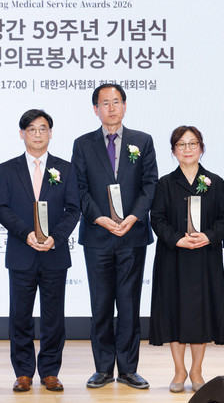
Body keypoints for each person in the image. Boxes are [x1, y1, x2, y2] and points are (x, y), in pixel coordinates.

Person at [71, 83, 158, 389]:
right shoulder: (83, 144)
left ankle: (129, 368)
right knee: (101, 305)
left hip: (133, 236)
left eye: (116, 101)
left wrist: (133, 217)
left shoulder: (142, 141)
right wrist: (101, 219)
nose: (111, 108)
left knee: (130, 305)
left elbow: (150, 184)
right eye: (105, 103)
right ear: (96, 109)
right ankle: (103, 368)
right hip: (98, 236)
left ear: (125, 106)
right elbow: (79, 188)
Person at [0, 109, 80, 392]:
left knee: (54, 317)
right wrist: (25, 233)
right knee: (20, 316)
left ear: (51, 133)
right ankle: (23, 372)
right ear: (22, 134)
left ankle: (51, 371)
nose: (38, 134)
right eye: (31, 129)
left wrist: (56, 237)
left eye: (43, 129)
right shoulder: (8, 168)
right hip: (22, 252)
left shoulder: (65, 168)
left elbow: (73, 209)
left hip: (55, 253)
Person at [149, 126, 224, 393]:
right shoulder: (164, 183)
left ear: (201, 147)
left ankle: (197, 370)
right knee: (174, 311)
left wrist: (208, 236)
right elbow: (157, 218)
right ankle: (179, 370)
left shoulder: (215, 182)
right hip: (173, 256)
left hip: (204, 257)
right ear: (174, 150)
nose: (187, 149)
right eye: (181, 144)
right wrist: (177, 239)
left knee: (200, 313)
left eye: (192, 143)